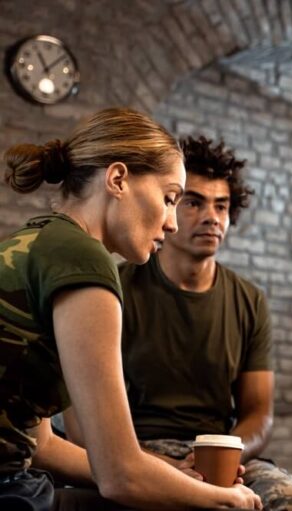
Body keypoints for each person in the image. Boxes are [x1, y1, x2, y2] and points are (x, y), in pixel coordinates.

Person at [0, 108, 260, 510]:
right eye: (170, 198)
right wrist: (226, 499)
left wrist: (172, 474)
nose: (172, 222)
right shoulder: (84, 261)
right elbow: (120, 476)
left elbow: (44, 445)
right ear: (118, 179)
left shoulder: (37, 239)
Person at [64, 135, 292, 511]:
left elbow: (258, 415)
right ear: (167, 207)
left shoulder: (249, 300)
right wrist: (166, 469)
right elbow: (85, 430)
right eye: (193, 202)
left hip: (222, 452)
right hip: (136, 448)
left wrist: (222, 457)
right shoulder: (112, 287)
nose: (211, 217)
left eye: (222, 205)